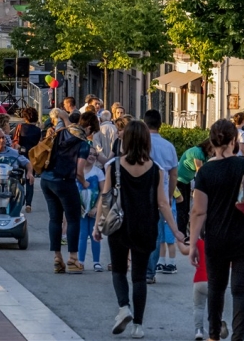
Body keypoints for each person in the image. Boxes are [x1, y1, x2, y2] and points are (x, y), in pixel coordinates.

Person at [93, 120, 183, 338]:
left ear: (126, 140)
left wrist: (97, 225)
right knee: (140, 276)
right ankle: (138, 326)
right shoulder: (156, 170)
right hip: (146, 226)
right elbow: (163, 203)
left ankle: (124, 308)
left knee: (119, 270)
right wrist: (176, 230)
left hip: (118, 225)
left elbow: (105, 199)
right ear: (145, 141)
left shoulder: (112, 165)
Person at [190, 119, 244, 341]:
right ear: (234, 140)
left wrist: (192, 245)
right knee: (241, 290)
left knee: (216, 289)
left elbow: (199, 212)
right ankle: (238, 337)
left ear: (211, 141)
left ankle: (213, 336)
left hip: (216, 238)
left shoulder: (205, 172)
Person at [42, 111, 97, 275]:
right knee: (73, 220)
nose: (91, 135)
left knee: (55, 219)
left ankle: (57, 258)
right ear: (88, 128)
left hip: (47, 179)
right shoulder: (83, 144)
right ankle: (73, 259)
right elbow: (79, 170)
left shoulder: (62, 133)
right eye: (92, 132)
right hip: (65, 182)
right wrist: (84, 183)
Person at [144, 109, 180, 283]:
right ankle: (150, 272)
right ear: (160, 125)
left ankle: (140, 268)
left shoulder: (140, 144)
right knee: (156, 234)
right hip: (162, 195)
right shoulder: (169, 146)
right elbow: (174, 174)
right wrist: (171, 193)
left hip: (141, 192)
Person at [176, 237, 229, 341]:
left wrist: (178, 240)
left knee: (198, 307)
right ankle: (218, 323)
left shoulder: (198, 242)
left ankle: (198, 331)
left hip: (199, 280)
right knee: (215, 305)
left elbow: (183, 250)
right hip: (214, 281)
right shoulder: (218, 242)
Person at [175, 139, 212, 239]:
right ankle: (181, 234)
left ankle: (184, 233)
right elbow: (199, 170)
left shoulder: (203, 155)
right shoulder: (198, 152)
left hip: (186, 181)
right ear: (208, 147)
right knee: (182, 208)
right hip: (179, 181)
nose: (213, 153)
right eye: (212, 150)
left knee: (186, 208)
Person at [77, 146, 104, 272]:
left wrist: (96, 208)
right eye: (90, 154)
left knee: (95, 234)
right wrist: (79, 206)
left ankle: (96, 262)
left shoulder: (98, 172)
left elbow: (103, 191)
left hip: (94, 209)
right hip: (81, 208)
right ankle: (80, 261)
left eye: (95, 155)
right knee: (82, 234)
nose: (92, 156)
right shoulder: (77, 171)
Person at [12, 107, 42, 212]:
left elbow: (15, 141)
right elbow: (39, 144)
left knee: (18, 179)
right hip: (32, 156)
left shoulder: (20, 126)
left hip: (21, 155)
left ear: (25, 117)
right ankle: (29, 204)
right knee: (30, 180)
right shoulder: (38, 130)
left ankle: (19, 200)